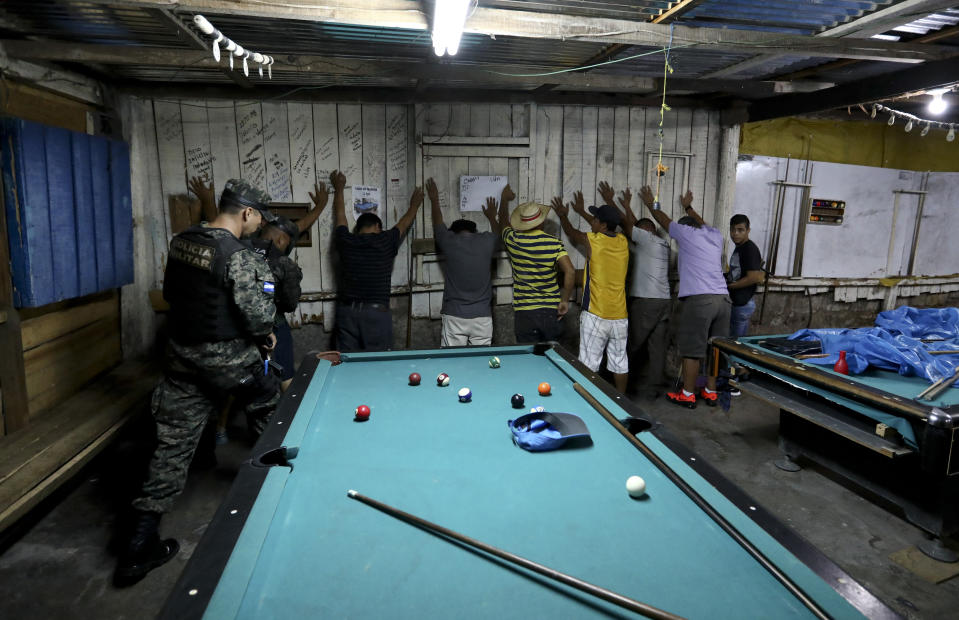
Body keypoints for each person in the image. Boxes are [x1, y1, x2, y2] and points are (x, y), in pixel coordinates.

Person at [115, 179, 282, 586]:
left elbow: (175, 294)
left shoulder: (182, 242)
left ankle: (137, 547)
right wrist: (265, 332)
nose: (258, 227)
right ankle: (278, 501)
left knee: (171, 447)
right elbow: (258, 318)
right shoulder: (237, 255)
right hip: (227, 360)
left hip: (182, 358)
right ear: (247, 213)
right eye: (259, 219)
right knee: (271, 411)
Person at [640, 186, 730, 408]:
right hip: (724, 300)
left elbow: (663, 219)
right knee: (715, 349)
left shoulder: (686, 234)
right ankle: (710, 391)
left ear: (684, 230)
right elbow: (701, 223)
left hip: (701, 300)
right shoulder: (714, 235)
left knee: (692, 349)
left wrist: (652, 203)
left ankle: (688, 394)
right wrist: (688, 207)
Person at [332, 170, 423, 351]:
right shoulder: (385, 240)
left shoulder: (346, 240)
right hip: (375, 314)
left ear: (358, 229)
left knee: (347, 363)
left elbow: (340, 216)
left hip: (347, 313)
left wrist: (339, 188)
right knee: (378, 364)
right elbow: (404, 223)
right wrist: (415, 205)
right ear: (377, 227)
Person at [596, 182, 671, 398]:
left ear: (647, 231)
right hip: (664, 301)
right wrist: (628, 205)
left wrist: (611, 201)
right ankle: (653, 390)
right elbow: (633, 223)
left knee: (629, 344)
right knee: (657, 349)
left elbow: (625, 223)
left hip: (646, 301)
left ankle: (614, 383)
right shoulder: (659, 244)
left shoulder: (646, 239)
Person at [551, 191, 630, 392]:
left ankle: (588, 400)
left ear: (602, 225)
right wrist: (583, 212)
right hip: (620, 316)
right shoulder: (622, 242)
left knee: (588, 364)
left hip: (596, 314)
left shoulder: (593, 241)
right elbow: (603, 227)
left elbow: (571, 233)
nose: (591, 221)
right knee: (620, 362)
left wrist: (563, 215)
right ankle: (622, 403)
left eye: (594, 219)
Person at [426, 177, 502, 347]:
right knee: (481, 362)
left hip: (454, 315)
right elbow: (499, 232)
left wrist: (434, 199)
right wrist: (491, 216)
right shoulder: (486, 240)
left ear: (454, 232)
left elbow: (438, 224)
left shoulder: (449, 241)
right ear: (474, 231)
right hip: (482, 316)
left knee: (452, 361)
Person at [497, 194, 575, 344]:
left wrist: (504, 200)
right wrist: (564, 300)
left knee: (527, 359)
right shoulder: (554, 243)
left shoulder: (513, 240)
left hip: (524, 314)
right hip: (550, 312)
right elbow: (570, 271)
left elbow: (503, 224)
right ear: (542, 221)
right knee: (553, 357)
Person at [726, 214, 764, 338]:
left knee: (734, 345)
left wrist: (730, 286)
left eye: (740, 230)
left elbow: (754, 277)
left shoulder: (749, 249)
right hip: (739, 303)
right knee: (735, 343)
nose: (735, 233)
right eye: (733, 230)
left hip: (742, 304)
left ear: (748, 230)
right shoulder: (740, 248)